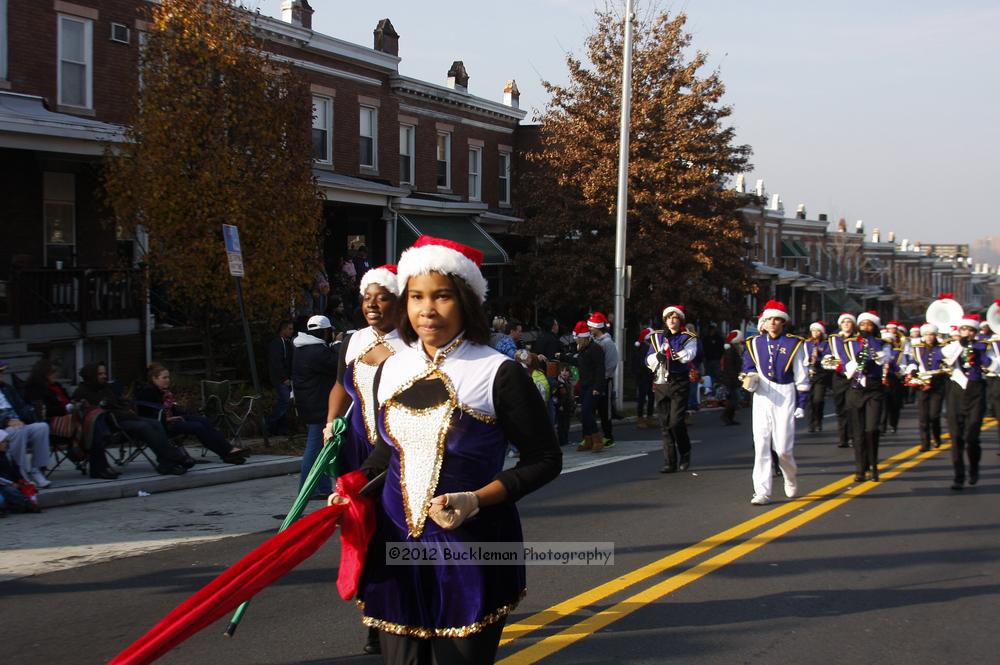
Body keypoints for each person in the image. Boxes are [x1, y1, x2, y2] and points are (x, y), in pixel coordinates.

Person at [340, 234, 561, 663]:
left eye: (441, 296)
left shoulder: (497, 372)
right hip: (396, 544)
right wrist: (354, 486)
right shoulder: (391, 367)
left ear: (465, 300)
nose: (427, 309)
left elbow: (546, 460)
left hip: (471, 548)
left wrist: (476, 499)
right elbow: (391, 450)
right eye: (416, 296)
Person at [321, 263, 405, 656]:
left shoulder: (412, 345)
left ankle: (401, 613)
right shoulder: (353, 341)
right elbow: (341, 386)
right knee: (363, 536)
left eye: (381, 297)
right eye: (366, 298)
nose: (371, 305)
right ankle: (374, 619)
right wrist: (330, 424)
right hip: (357, 447)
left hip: (396, 451)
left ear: (399, 300)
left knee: (395, 534)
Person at [740, 301, 808, 505]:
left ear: (782, 322)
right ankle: (762, 491)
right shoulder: (754, 343)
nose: (772, 323)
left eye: (776, 319)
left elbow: (801, 375)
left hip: (785, 393)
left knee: (783, 448)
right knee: (761, 444)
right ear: (764, 321)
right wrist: (749, 378)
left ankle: (790, 476)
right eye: (769, 319)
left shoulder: (794, 343)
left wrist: (801, 403)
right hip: (762, 393)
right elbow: (748, 366)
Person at [72, 362, 191, 475]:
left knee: (155, 423)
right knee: (144, 427)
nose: (104, 376)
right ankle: (176, 457)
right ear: (91, 375)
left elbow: (118, 402)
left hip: (124, 418)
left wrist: (127, 407)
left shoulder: (105, 387)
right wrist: (126, 413)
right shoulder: (82, 392)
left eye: (104, 373)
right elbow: (96, 413)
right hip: (109, 425)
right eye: (100, 374)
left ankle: (166, 462)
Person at [136, 363, 250, 465]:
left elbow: (172, 409)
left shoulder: (163, 392)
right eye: (164, 378)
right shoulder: (147, 392)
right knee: (197, 427)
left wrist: (188, 414)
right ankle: (227, 453)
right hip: (161, 425)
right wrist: (167, 419)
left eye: (168, 377)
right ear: (154, 379)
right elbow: (146, 415)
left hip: (172, 418)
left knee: (203, 420)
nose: (167, 380)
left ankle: (228, 450)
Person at [24, 359, 118, 479]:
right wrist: (67, 408)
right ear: (44, 374)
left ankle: (101, 466)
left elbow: (68, 400)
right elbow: (43, 410)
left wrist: (73, 405)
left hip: (70, 416)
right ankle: (100, 466)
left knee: (93, 419)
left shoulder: (56, 386)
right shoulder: (35, 388)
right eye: (52, 373)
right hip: (53, 420)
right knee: (92, 422)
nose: (56, 375)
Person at [940, 312, 992, 490]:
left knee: (972, 437)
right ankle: (958, 476)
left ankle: (974, 469)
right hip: (956, 391)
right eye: (964, 329)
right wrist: (959, 346)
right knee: (956, 437)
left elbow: (991, 365)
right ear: (959, 330)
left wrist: (979, 354)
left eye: (971, 330)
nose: (967, 332)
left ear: (975, 332)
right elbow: (944, 360)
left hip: (976, 391)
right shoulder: (952, 346)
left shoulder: (982, 346)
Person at [647, 305, 699, 473]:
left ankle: (685, 451)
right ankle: (670, 461)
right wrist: (658, 356)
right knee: (664, 424)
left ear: (680, 320)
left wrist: (673, 350)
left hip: (679, 382)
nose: (671, 320)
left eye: (675, 317)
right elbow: (648, 360)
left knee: (676, 422)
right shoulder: (657, 337)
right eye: (669, 317)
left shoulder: (687, 337)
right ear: (665, 320)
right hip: (661, 382)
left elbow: (689, 356)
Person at [292, 315, 339, 499]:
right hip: (318, 405)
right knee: (314, 448)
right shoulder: (317, 351)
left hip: (310, 403)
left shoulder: (302, 347)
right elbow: (337, 364)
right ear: (325, 332)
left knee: (321, 447)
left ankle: (322, 487)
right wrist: (337, 345)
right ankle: (307, 488)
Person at [843, 311, 889, 482]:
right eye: (862, 325)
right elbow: (844, 366)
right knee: (858, 432)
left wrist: (873, 352)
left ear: (874, 327)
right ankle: (860, 469)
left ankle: (874, 466)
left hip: (874, 390)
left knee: (871, 429)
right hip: (856, 390)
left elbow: (884, 360)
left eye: (869, 325)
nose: (865, 328)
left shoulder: (882, 343)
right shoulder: (849, 344)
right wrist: (854, 362)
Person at [0, 361, 52, 488]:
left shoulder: (7, 388)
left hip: (17, 423)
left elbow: (21, 407)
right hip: (2, 427)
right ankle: (21, 474)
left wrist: (30, 414)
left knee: (42, 427)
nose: (1, 375)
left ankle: (37, 470)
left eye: (2, 372)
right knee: (18, 431)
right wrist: (6, 421)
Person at [905, 322, 947, 451]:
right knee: (923, 416)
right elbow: (913, 361)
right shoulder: (918, 347)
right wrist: (912, 370)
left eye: (931, 334)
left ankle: (936, 436)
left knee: (934, 415)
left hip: (937, 383)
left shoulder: (942, 347)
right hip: (922, 383)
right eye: (926, 334)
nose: (929, 337)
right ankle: (925, 443)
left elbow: (947, 363)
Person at [569, 321, 607, 452]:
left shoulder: (595, 349)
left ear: (583, 338)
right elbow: (579, 362)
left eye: (578, 339)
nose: (576, 342)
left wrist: (598, 387)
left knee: (586, 411)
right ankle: (588, 438)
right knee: (585, 414)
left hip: (593, 385)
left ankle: (597, 439)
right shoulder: (583, 349)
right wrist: (563, 357)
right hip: (585, 385)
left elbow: (600, 369)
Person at [828, 312, 857, 449]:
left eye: (849, 321)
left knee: (851, 406)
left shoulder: (858, 339)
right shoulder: (834, 339)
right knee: (840, 408)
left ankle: (852, 436)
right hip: (839, 377)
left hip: (854, 378)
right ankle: (842, 437)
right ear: (840, 324)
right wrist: (829, 362)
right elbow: (827, 356)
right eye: (844, 322)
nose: (846, 324)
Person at [588, 312, 617, 445]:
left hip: (605, 380)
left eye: (591, 327)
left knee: (605, 409)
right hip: (595, 380)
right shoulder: (594, 341)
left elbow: (611, 363)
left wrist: (603, 378)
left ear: (597, 327)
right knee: (593, 408)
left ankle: (608, 436)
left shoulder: (607, 343)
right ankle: (593, 436)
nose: (589, 329)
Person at [0, 430, 41, 515]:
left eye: (7, 441)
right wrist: (11, 483)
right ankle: (27, 505)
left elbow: (15, 469)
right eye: (3, 441)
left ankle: (21, 505)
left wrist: (21, 480)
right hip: (3, 484)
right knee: (10, 491)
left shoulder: (7, 455)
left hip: (11, 482)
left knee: (28, 487)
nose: (6, 444)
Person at [265, 320, 295, 436]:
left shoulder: (286, 343)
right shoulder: (277, 343)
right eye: (290, 329)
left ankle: (281, 427)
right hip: (280, 378)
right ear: (283, 330)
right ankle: (268, 423)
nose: (292, 331)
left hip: (284, 377)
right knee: (285, 401)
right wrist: (284, 378)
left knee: (286, 402)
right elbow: (276, 362)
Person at [805, 322, 831, 433]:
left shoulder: (825, 344)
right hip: (809, 374)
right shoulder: (807, 344)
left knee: (818, 399)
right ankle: (812, 424)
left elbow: (829, 358)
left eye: (818, 331)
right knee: (810, 400)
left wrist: (819, 357)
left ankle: (819, 420)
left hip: (821, 374)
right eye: (813, 330)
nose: (815, 333)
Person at [879, 328, 905, 434]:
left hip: (894, 380)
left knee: (894, 405)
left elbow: (903, 365)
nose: (887, 342)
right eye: (885, 340)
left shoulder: (898, 352)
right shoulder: (878, 351)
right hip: (881, 380)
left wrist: (896, 369)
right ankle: (882, 427)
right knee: (883, 405)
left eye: (889, 340)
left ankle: (893, 424)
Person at [719, 330, 744, 426]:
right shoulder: (731, 351)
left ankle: (730, 417)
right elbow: (730, 367)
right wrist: (735, 379)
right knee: (734, 399)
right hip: (731, 379)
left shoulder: (733, 350)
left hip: (732, 378)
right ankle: (726, 416)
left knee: (734, 399)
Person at [633, 328, 656, 428]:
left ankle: (649, 417)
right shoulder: (642, 347)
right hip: (643, 376)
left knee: (651, 397)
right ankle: (640, 418)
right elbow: (642, 363)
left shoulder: (651, 346)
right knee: (642, 397)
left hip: (650, 376)